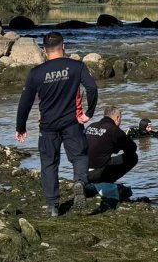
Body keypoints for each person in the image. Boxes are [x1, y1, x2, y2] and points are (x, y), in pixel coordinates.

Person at [15, 32, 98, 217]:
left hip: (48, 126)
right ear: (64, 46)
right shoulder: (77, 66)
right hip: (72, 123)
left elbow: (25, 102)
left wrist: (20, 127)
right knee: (79, 156)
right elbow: (91, 88)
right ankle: (79, 182)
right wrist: (89, 113)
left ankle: (53, 206)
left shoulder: (36, 73)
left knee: (49, 164)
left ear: (44, 51)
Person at [84, 105, 138, 212]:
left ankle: (92, 185)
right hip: (97, 173)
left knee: (102, 158)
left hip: (82, 171)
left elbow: (97, 147)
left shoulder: (91, 126)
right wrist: (118, 146)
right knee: (132, 157)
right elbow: (132, 148)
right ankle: (103, 184)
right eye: (120, 119)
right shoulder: (113, 130)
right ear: (117, 118)